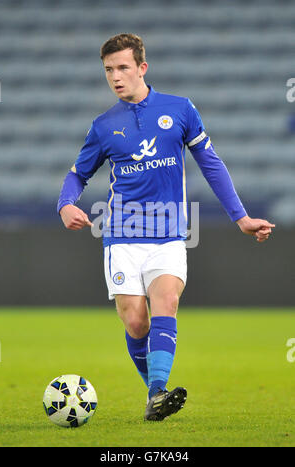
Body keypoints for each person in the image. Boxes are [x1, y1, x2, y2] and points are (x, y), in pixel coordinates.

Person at [57, 33, 275, 421]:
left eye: (123, 67)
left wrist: (241, 217)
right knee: (136, 321)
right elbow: (78, 175)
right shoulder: (104, 126)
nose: (116, 77)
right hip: (122, 235)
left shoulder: (180, 110)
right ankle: (154, 393)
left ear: (142, 67)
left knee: (166, 303)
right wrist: (65, 205)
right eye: (109, 70)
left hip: (170, 234)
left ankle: (157, 393)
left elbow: (211, 164)